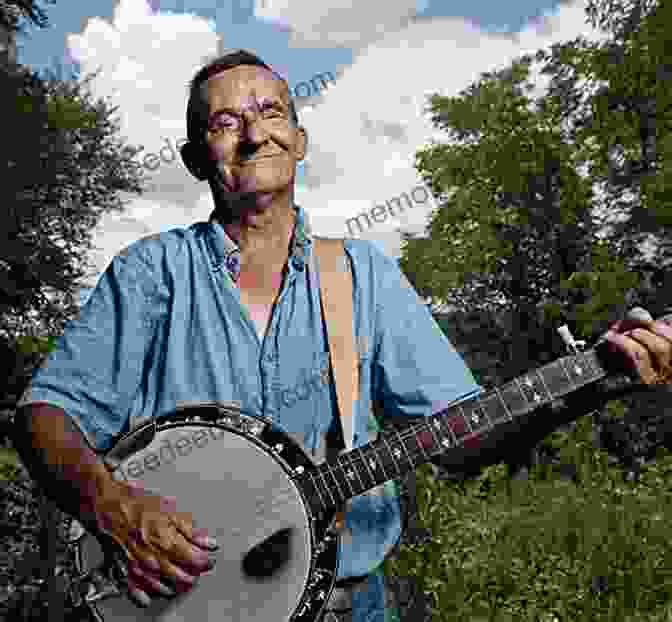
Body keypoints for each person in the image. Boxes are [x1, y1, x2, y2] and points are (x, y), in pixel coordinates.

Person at [11, 49, 672, 622]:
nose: (253, 135)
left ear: (298, 139)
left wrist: (585, 383)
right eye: (224, 121)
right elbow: (45, 416)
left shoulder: (364, 277)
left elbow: (463, 443)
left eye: (271, 113)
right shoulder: (149, 273)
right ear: (193, 157)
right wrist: (112, 505)